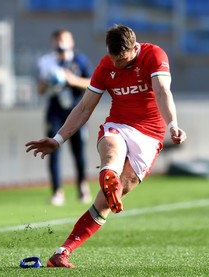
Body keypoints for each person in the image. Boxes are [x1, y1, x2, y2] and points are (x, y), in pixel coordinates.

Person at [26, 24, 187, 268]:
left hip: (150, 135)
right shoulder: (105, 66)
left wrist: (173, 124)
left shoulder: (154, 56)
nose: (117, 65)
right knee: (112, 153)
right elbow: (84, 108)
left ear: (135, 48)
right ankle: (108, 173)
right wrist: (58, 139)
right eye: (114, 60)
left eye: (122, 60)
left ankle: (61, 252)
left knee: (105, 202)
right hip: (118, 125)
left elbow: (162, 91)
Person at [37, 29, 92, 205]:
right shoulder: (47, 62)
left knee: (79, 151)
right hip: (55, 110)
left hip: (76, 111)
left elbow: (92, 83)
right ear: (53, 43)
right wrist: (49, 84)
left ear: (72, 42)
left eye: (64, 40)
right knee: (52, 148)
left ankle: (82, 185)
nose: (61, 44)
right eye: (58, 41)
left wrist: (72, 80)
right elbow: (40, 89)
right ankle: (57, 191)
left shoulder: (80, 60)